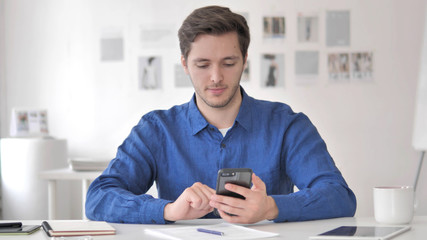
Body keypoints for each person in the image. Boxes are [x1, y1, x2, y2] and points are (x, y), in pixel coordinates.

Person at [85, 5, 356, 224]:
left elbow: (339, 196)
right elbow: (98, 197)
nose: (216, 77)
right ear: (185, 64)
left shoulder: (287, 125)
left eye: (228, 63)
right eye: (202, 64)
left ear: (245, 60)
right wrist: (168, 210)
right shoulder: (156, 129)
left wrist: (271, 207)